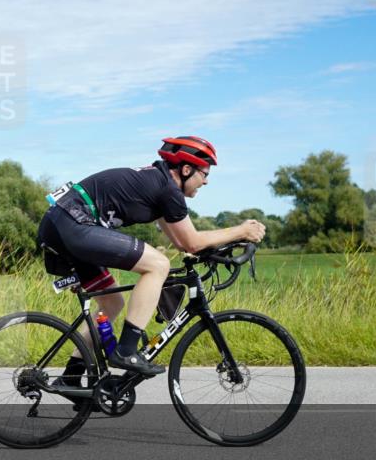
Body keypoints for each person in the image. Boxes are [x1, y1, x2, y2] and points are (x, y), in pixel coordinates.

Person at [37, 136, 266, 377]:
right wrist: (242, 231)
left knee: (112, 303)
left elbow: (183, 243)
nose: (206, 181)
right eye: (205, 173)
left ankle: (72, 377)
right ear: (187, 169)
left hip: (61, 223)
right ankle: (126, 350)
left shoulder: (158, 184)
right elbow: (192, 241)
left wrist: (223, 247)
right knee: (158, 265)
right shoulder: (167, 189)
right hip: (75, 222)